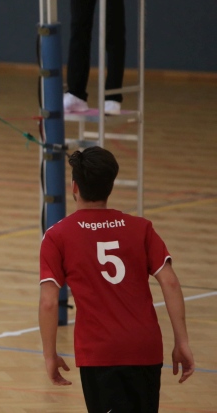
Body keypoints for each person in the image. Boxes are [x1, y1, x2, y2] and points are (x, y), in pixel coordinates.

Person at [39, 146, 195, 412]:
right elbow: (170, 282)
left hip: (100, 353)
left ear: (74, 186)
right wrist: (182, 342)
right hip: (145, 348)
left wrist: (49, 354)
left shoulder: (57, 236)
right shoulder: (141, 228)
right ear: (110, 186)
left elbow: (49, 302)